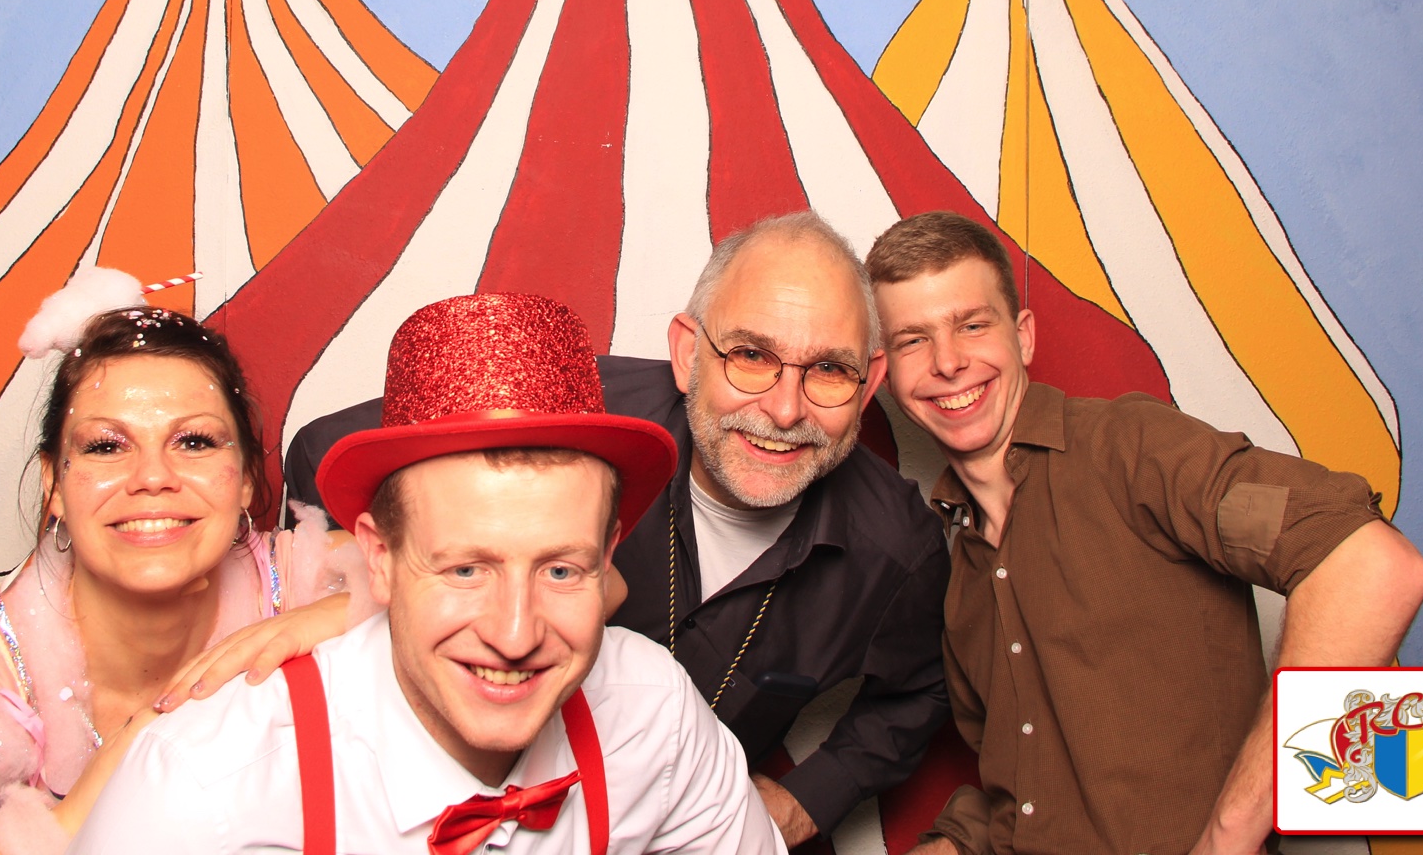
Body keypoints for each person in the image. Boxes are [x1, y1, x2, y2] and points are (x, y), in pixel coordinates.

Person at [284, 213, 953, 846]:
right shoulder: (571, 415)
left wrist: (807, 798)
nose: (783, 410)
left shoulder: (896, 550)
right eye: (751, 355)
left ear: (869, 385)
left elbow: (925, 688)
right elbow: (323, 452)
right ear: (688, 353)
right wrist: (369, 598)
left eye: (830, 370)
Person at [68, 292, 786, 853]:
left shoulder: (652, 714)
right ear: (378, 559)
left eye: (561, 571)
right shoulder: (202, 790)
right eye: (466, 569)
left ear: (606, 561)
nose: (515, 635)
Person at [865, 211, 1423, 855]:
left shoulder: (1138, 456)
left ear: (1022, 337)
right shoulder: (959, 563)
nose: (947, 362)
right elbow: (1023, 795)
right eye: (913, 341)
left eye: (972, 325)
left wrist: (1229, 836)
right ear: (888, 374)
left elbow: (1367, 564)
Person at [0, 290, 363, 855]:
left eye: (195, 441)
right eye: (106, 446)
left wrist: (339, 617)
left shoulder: (323, 579)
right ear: (54, 484)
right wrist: (80, 812)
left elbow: (418, 583)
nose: (152, 477)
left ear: (248, 481)